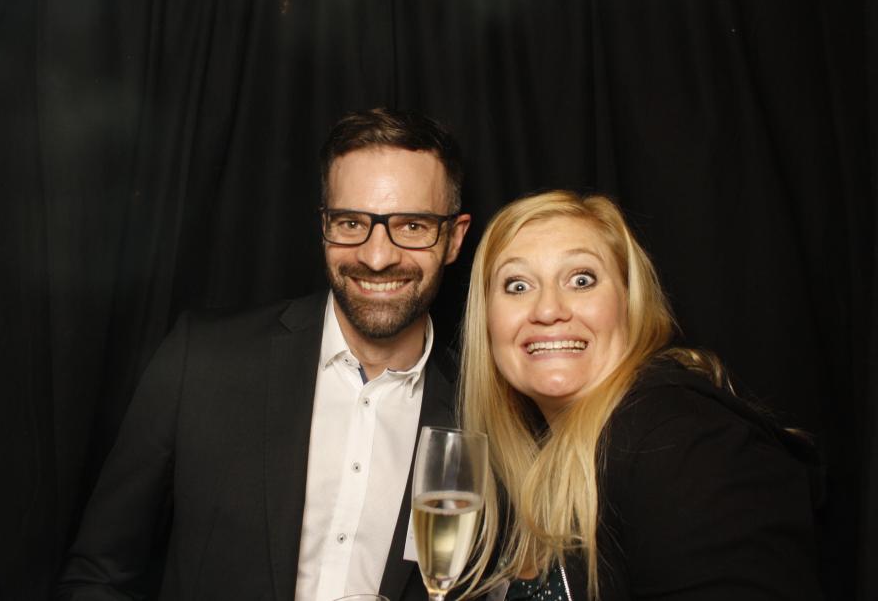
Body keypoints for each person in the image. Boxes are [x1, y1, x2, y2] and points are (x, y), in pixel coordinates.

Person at [55, 108, 472, 600]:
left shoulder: (483, 413)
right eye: (351, 222)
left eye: (413, 226)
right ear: (324, 225)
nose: (376, 257)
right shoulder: (202, 362)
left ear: (454, 238)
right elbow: (97, 578)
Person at [459, 190, 822, 600]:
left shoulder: (681, 441)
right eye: (518, 285)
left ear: (630, 304)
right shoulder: (546, 462)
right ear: (487, 320)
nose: (547, 310)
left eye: (581, 280)